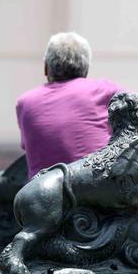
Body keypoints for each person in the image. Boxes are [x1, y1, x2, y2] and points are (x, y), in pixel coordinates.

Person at [16, 32, 123, 179]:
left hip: (41, 190)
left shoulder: (24, 103)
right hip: (97, 186)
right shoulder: (105, 90)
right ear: (86, 69)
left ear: (46, 68)